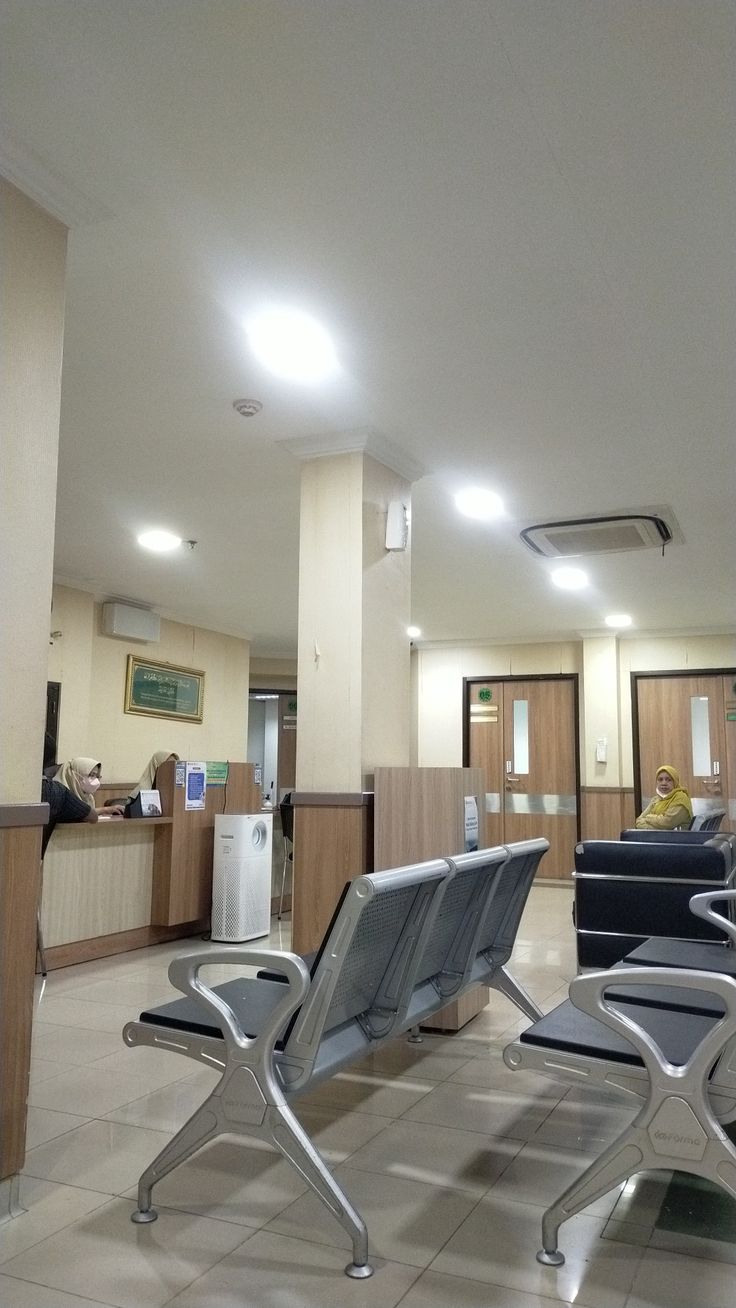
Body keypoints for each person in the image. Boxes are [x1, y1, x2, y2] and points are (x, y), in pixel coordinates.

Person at [53, 757, 126, 816]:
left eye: (97, 776)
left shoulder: (88, 798)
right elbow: (75, 814)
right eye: (91, 775)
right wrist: (106, 810)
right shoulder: (57, 794)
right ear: (74, 775)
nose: (95, 780)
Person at [635, 764, 693, 830]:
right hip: (657, 837)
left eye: (668, 780)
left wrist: (648, 817)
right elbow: (638, 821)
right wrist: (658, 826)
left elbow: (667, 823)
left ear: (675, 782)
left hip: (678, 838)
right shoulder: (656, 799)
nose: (664, 783)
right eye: (660, 779)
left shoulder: (681, 798)